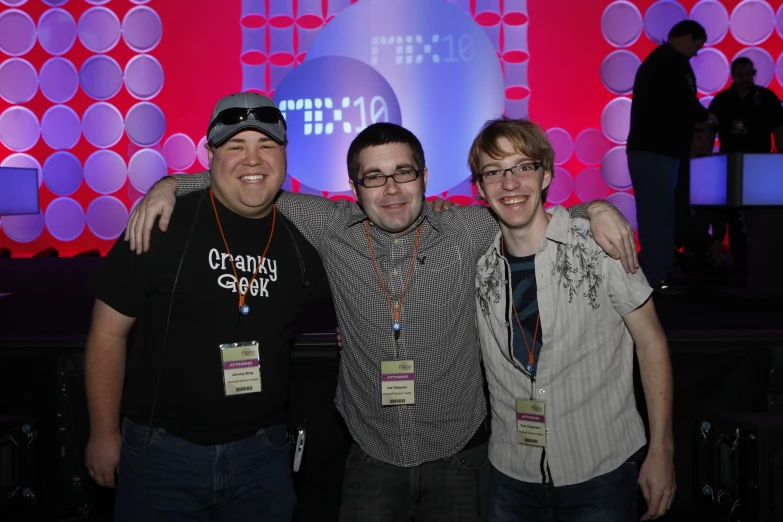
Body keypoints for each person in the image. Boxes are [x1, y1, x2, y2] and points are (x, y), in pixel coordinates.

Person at [126, 120, 637, 521]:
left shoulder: (467, 228)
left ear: (425, 177)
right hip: (372, 454)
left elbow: (529, 203)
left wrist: (596, 208)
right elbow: (252, 183)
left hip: (459, 455)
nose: (391, 188)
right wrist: (172, 182)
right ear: (354, 186)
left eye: (403, 172)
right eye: (374, 176)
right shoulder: (331, 227)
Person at [84, 93, 331, 522]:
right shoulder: (160, 222)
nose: (252, 160)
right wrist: (103, 433)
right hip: (162, 456)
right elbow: (107, 332)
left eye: (266, 146)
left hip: (263, 458)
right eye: (236, 146)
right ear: (210, 154)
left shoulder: (304, 239)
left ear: (285, 154)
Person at [471, 117, 675, 521]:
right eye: (494, 171)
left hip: (602, 469)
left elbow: (651, 342)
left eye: (523, 167)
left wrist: (662, 449)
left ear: (545, 174)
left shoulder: (601, 244)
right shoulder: (475, 264)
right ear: (480, 187)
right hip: (511, 473)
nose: (509, 183)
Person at [627, 19, 712, 291]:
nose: (695, 54)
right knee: (659, 213)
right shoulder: (674, 63)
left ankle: (655, 271)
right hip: (658, 152)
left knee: (654, 212)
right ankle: (657, 275)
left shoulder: (655, 62)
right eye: (696, 47)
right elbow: (686, 103)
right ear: (688, 37)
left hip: (647, 150)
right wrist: (707, 117)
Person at [705, 57, 783, 271]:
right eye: (740, 75)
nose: (745, 79)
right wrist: (706, 157)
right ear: (732, 75)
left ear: (754, 73)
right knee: (734, 214)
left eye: (749, 74)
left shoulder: (767, 98)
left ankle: (763, 259)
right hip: (730, 163)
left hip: (762, 163)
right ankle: (739, 260)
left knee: (762, 214)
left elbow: (779, 128)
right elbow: (710, 132)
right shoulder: (722, 100)